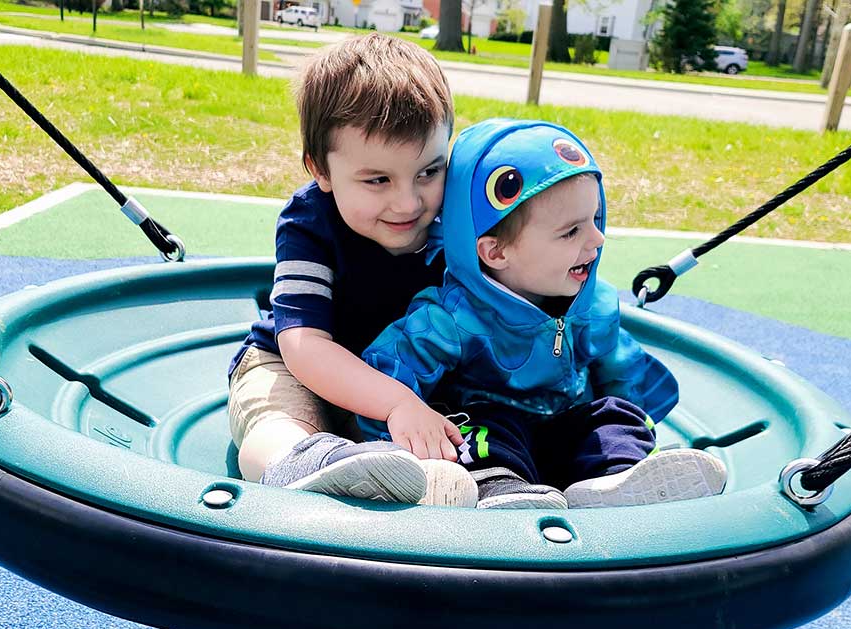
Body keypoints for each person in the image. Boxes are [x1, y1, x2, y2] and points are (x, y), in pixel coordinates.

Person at [359, 119, 727, 509]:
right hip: (495, 437)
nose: (597, 240)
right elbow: (391, 371)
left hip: (567, 431)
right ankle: (499, 490)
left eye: (595, 220)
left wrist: (635, 424)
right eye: (572, 231)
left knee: (614, 416)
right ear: (495, 252)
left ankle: (617, 480)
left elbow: (623, 374)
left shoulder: (593, 306)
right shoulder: (452, 317)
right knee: (483, 427)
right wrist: (399, 443)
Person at [226, 33, 476, 506]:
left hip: (409, 375)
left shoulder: (455, 216)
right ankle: (302, 462)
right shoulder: (311, 220)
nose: (409, 202)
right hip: (295, 365)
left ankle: (452, 482)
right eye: (377, 179)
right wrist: (397, 402)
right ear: (320, 169)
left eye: (429, 171)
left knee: (464, 419)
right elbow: (304, 346)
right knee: (275, 421)